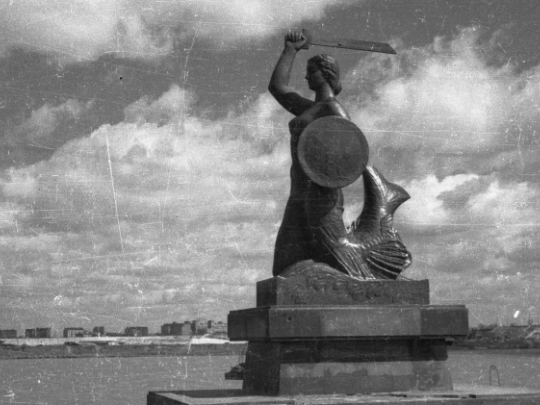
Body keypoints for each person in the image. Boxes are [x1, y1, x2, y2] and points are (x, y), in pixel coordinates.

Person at [269, 31, 366, 278]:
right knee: (284, 269)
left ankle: (375, 284)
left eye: (311, 71)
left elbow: (349, 151)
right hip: (298, 195)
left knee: (342, 261)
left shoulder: (333, 109)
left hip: (320, 199)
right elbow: (277, 88)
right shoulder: (311, 108)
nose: (306, 76)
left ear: (325, 74)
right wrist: (290, 50)